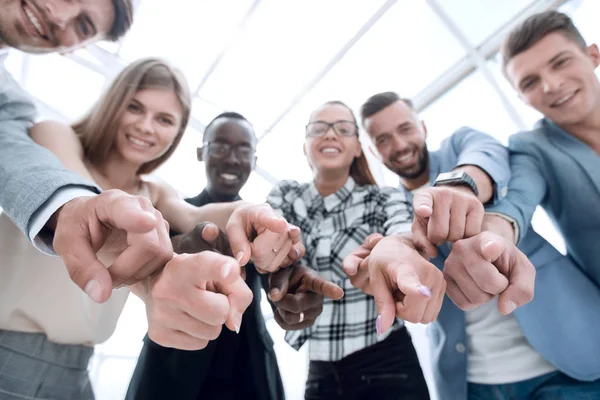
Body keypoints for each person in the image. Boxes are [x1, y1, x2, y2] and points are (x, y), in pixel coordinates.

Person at [0, 58, 302, 400]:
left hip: (77, 369)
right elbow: (85, 205)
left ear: (176, 133)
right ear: (112, 103)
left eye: (164, 120)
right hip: (10, 357)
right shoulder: (55, 135)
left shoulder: (152, 191)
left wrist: (252, 211)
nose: (146, 126)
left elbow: (196, 214)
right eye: (134, 107)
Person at [343, 91, 600, 400]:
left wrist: (461, 184)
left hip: (565, 361)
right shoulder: (389, 207)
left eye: (405, 129)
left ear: (422, 128)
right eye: (383, 139)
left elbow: (486, 153)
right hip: (473, 383)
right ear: (373, 150)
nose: (398, 145)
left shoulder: (460, 145)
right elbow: (393, 242)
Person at [126, 112, 344, 400]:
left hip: (249, 369)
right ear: (201, 152)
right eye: (220, 147)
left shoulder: (265, 223)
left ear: (255, 161)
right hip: (172, 366)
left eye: (243, 151)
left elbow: (279, 279)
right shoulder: (171, 213)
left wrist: (290, 292)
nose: (231, 159)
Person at [0, 0, 182, 308]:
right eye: (135, 108)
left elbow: (15, 157)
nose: (58, 16)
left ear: (73, 48)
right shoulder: (56, 135)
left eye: (83, 26)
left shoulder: (10, 106)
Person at [266, 100, 445, 400]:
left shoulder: (381, 197)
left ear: (358, 148)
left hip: (387, 361)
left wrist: (398, 249)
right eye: (319, 128)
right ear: (305, 146)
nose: (330, 134)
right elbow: (267, 238)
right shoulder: (286, 195)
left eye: (343, 129)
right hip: (320, 371)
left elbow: (402, 227)